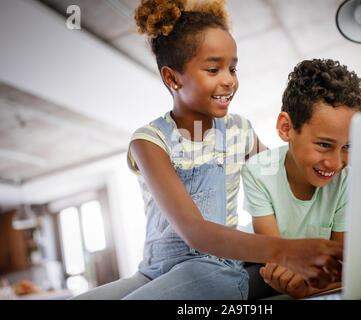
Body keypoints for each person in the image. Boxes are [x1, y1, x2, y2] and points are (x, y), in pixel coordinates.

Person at [73, 1, 342, 300]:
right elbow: (194, 231)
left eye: (232, 68)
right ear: (173, 78)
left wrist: (323, 153)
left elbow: (283, 179)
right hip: (153, 270)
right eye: (213, 69)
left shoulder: (240, 131)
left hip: (213, 266)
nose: (229, 80)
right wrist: (287, 251)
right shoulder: (149, 141)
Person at [242, 59, 361, 299]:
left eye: (348, 146)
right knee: (230, 287)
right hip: (264, 259)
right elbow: (275, 255)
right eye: (323, 144)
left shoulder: (348, 178)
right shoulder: (257, 172)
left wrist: (308, 287)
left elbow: (341, 262)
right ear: (286, 128)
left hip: (311, 270)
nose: (335, 162)